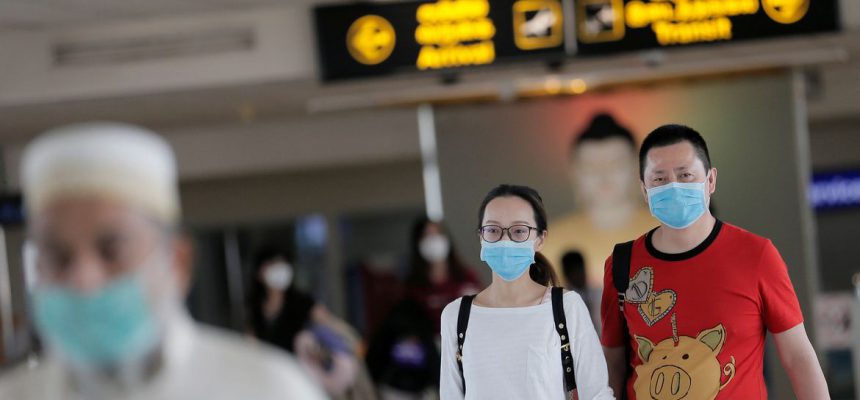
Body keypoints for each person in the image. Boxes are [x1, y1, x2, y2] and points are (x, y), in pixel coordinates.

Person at [0, 123, 326, 400]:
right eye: (57, 257)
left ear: (177, 260)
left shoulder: (268, 390)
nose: (84, 280)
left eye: (112, 251)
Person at [600, 124, 829, 399]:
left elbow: (798, 356)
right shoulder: (623, 264)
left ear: (710, 181)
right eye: (659, 179)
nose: (673, 186)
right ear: (644, 190)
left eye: (685, 175)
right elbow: (611, 365)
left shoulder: (756, 255)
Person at [440, 184, 613, 399]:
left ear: (539, 239)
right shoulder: (456, 315)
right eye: (493, 230)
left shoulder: (565, 307)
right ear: (481, 237)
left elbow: (597, 394)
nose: (505, 240)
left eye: (519, 231)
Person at [542, 114, 656, 292]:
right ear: (574, 172)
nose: (603, 174)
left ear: (638, 167)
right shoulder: (548, 243)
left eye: (615, 163)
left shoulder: (667, 233)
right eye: (591, 165)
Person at [247, 247, 375, 399]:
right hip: (276, 377)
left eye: (282, 264)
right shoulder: (255, 310)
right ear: (260, 273)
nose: (278, 270)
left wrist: (352, 342)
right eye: (272, 265)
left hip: (307, 377)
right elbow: (252, 347)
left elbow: (332, 324)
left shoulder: (301, 302)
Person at [405, 217, 481, 335]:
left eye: (437, 234)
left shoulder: (467, 277)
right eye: (428, 235)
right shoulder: (412, 287)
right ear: (418, 242)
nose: (434, 240)